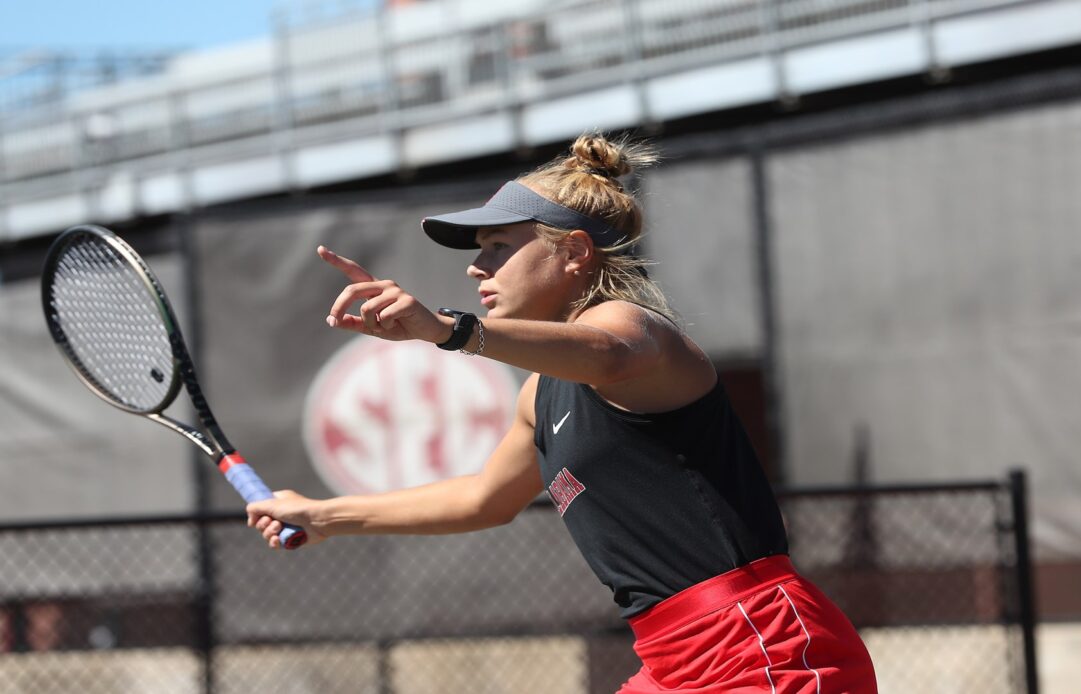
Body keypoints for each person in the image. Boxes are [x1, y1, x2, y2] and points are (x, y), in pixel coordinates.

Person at [247, 133, 878, 693]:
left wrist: (446, 330)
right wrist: (323, 515)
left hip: (760, 645)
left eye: (498, 246)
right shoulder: (540, 393)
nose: (475, 266)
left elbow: (608, 355)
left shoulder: (631, 328)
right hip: (669, 659)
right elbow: (483, 500)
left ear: (574, 253)